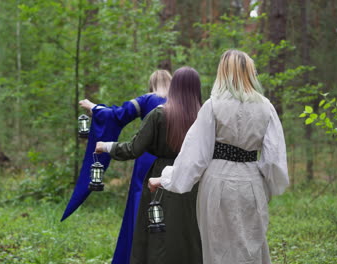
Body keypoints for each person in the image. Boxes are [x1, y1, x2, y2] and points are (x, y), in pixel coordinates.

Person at [149, 50, 289, 264]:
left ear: (223, 72)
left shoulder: (213, 105)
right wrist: (266, 187)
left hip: (217, 183)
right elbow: (273, 159)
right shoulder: (266, 106)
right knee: (251, 247)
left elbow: (196, 155)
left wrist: (166, 178)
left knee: (217, 248)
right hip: (252, 182)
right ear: (250, 73)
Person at [60, 70, 171, 264]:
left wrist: (94, 108)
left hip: (146, 159)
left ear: (151, 84)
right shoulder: (184, 102)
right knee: (169, 211)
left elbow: (117, 115)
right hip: (174, 162)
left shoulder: (147, 100)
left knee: (140, 208)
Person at [95, 67, 203, 264]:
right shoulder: (205, 117)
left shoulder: (159, 115)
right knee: (190, 232)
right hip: (195, 179)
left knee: (158, 233)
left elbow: (133, 149)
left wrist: (106, 146)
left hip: (160, 178)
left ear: (174, 87)